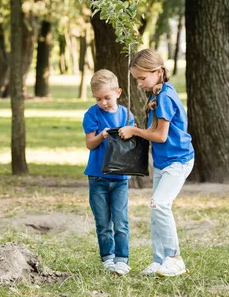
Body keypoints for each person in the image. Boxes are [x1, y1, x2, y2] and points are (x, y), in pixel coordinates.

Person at [118, 48, 195, 277]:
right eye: (136, 79)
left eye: (142, 78)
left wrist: (134, 131)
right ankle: (159, 259)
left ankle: (175, 258)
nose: (139, 83)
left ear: (158, 72)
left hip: (178, 161)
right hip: (163, 161)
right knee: (156, 208)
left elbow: (160, 136)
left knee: (160, 204)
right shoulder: (155, 94)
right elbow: (155, 130)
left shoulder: (165, 97)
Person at [82, 69, 134, 276]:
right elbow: (89, 144)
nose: (103, 102)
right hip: (97, 177)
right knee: (103, 221)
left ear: (118, 92)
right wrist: (102, 136)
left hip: (120, 178)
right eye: (98, 99)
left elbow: (133, 143)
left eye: (107, 97)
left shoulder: (127, 115)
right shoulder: (92, 114)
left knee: (121, 221)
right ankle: (108, 258)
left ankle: (122, 259)